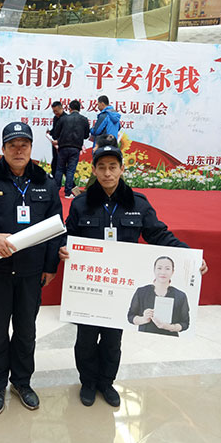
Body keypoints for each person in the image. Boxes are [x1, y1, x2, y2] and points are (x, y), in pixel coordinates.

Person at [59, 145, 208, 408]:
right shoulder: (81, 203)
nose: (107, 173)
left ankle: (106, 382)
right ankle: (88, 383)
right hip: (89, 285)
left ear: (122, 169)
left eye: (112, 167)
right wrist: (62, 249)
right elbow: (67, 236)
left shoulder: (138, 203)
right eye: (101, 167)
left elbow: (158, 234)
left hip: (120, 286)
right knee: (85, 339)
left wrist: (190, 257)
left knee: (112, 339)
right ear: (93, 170)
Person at [0, 122, 62, 415]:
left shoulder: (46, 182)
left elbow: (56, 226)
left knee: (26, 331)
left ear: (31, 148)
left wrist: (50, 266)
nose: (19, 151)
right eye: (12, 145)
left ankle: (22, 382)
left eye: (24, 145)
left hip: (31, 272)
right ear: (3, 149)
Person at [127, 256, 190, 337]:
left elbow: (185, 323)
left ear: (172, 272)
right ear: (154, 270)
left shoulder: (180, 296)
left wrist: (169, 327)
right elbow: (130, 316)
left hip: (170, 339)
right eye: (159, 268)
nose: (163, 272)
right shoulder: (141, 292)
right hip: (144, 337)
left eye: (167, 269)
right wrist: (143, 319)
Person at [53, 99, 90, 198]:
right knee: (70, 170)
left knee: (59, 169)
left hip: (63, 147)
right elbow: (86, 135)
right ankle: (68, 193)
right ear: (80, 109)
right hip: (76, 148)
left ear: (69, 109)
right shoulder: (84, 119)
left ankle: (55, 191)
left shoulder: (63, 119)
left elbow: (56, 133)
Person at [48, 101, 67, 177]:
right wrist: (50, 132)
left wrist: (59, 141)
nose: (55, 113)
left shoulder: (66, 118)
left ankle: (71, 183)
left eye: (56, 111)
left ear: (61, 108)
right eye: (53, 111)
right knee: (55, 162)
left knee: (62, 164)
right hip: (54, 143)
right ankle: (53, 180)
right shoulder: (55, 118)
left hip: (62, 144)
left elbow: (66, 133)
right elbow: (55, 130)